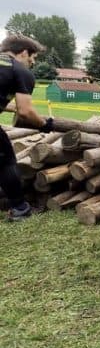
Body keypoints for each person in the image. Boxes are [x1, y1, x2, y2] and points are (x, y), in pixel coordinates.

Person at [0, 34, 55, 221]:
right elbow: (25, 112)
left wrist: (7, 105)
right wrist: (44, 124)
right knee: (6, 161)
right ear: (23, 53)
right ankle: (20, 209)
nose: (32, 62)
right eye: (32, 58)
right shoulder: (19, 72)